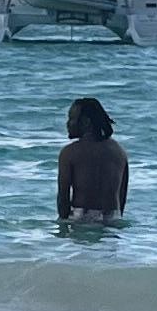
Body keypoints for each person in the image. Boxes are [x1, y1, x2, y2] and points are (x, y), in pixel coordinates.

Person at [57, 94, 129, 231]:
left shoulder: (69, 153)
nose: (68, 123)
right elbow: (122, 197)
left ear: (86, 122)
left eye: (71, 118)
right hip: (112, 220)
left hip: (80, 220)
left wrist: (62, 230)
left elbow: (63, 199)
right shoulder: (119, 152)